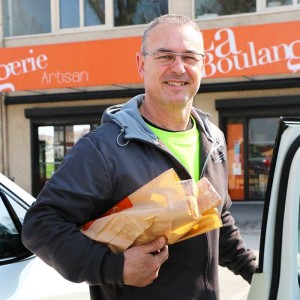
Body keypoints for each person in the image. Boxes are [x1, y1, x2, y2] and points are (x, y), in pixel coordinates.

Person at [22, 14, 257, 300]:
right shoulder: (104, 149)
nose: (179, 67)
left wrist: (261, 272)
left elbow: (219, 221)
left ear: (203, 66)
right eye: (165, 56)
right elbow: (41, 225)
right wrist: (115, 267)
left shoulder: (213, 140)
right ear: (141, 64)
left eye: (190, 57)